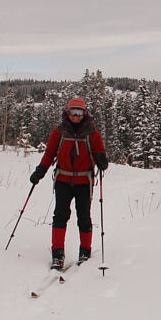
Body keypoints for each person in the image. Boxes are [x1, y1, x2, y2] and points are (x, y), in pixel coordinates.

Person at [30, 97, 109, 270]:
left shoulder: (92, 132)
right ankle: (57, 255)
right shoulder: (59, 132)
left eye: (79, 112)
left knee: (84, 217)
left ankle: (85, 252)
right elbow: (49, 153)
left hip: (83, 181)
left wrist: (102, 160)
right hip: (63, 180)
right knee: (60, 215)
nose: (76, 115)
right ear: (67, 112)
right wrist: (40, 171)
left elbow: (99, 151)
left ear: (85, 113)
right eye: (72, 111)